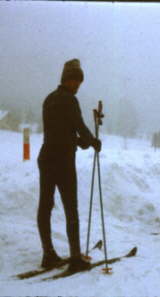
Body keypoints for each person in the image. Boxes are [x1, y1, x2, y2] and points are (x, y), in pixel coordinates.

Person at [37, 59, 101, 272]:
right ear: (68, 79)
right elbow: (79, 127)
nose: (78, 85)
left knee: (46, 205)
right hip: (62, 161)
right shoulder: (69, 100)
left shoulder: (49, 99)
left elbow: (60, 131)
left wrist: (79, 141)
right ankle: (75, 257)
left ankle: (48, 254)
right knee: (70, 206)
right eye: (76, 80)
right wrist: (92, 141)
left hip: (47, 156)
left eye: (79, 81)